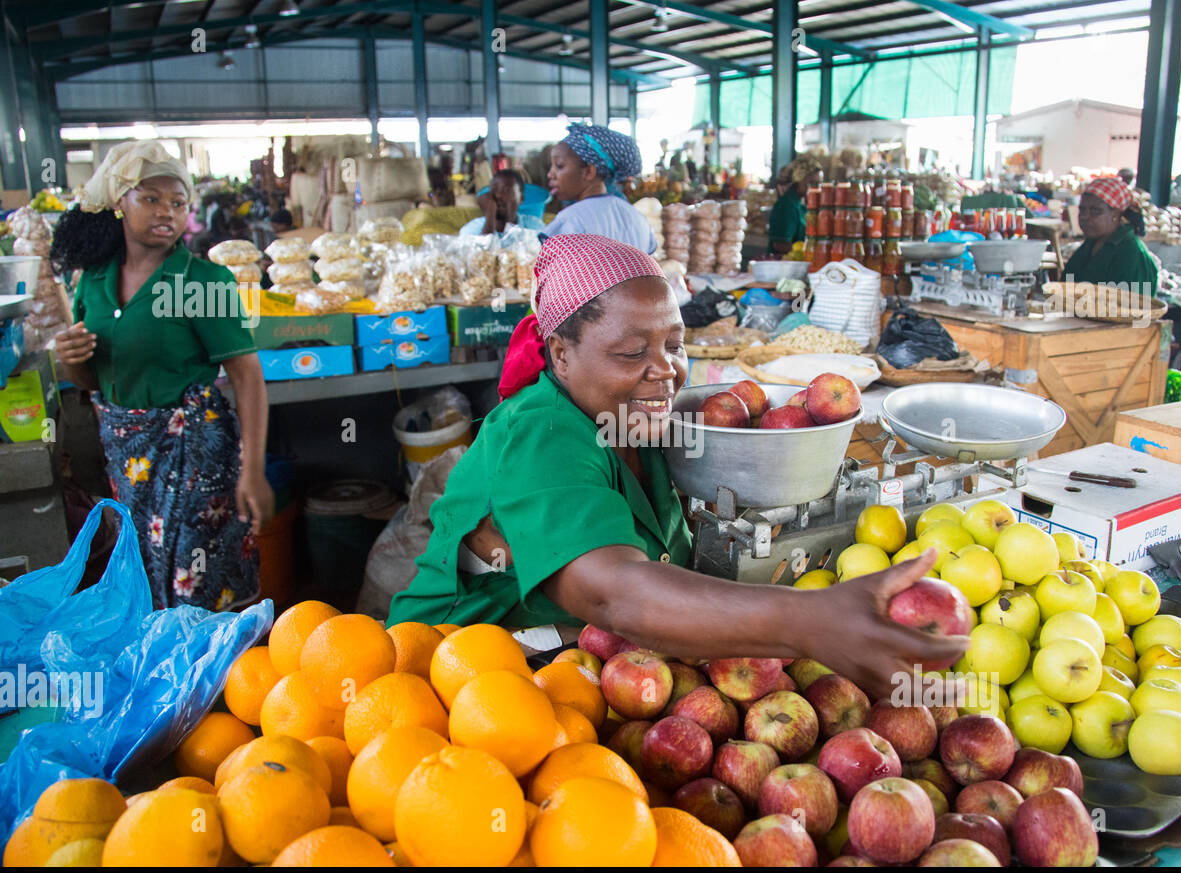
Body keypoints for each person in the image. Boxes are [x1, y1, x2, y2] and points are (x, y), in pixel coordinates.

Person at [387, 234, 963, 699]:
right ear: (560, 354)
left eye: (675, 344)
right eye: (633, 352)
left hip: (589, 663)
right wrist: (808, 621)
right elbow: (614, 594)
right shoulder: (542, 431)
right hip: (463, 676)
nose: (665, 370)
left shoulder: (644, 422)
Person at [50, 141, 273, 611]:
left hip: (193, 453)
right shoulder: (92, 279)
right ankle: (170, 676)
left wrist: (253, 470)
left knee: (197, 581)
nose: (166, 211)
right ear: (119, 204)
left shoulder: (202, 281)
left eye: (177, 202)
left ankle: (218, 678)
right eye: (150, 198)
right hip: (126, 456)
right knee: (147, 576)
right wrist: (67, 359)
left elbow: (247, 375)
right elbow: (91, 380)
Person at [541, 124, 656, 254]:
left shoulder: (571, 220)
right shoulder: (638, 218)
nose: (550, 174)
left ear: (589, 171)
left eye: (559, 166)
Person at [1064, 177, 1160, 292]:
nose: (1084, 216)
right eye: (1082, 210)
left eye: (1095, 211)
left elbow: (1137, 306)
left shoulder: (1133, 255)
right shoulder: (1090, 245)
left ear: (1115, 214)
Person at [459, 168, 547, 237]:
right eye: (494, 190)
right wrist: (490, 218)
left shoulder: (534, 227)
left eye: (506, 190)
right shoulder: (472, 230)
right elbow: (482, 258)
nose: (498, 195)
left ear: (521, 199)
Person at [767, 154, 823, 255]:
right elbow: (780, 245)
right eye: (812, 183)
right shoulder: (787, 205)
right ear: (799, 180)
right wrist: (809, 253)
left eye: (819, 183)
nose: (817, 188)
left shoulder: (804, 204)